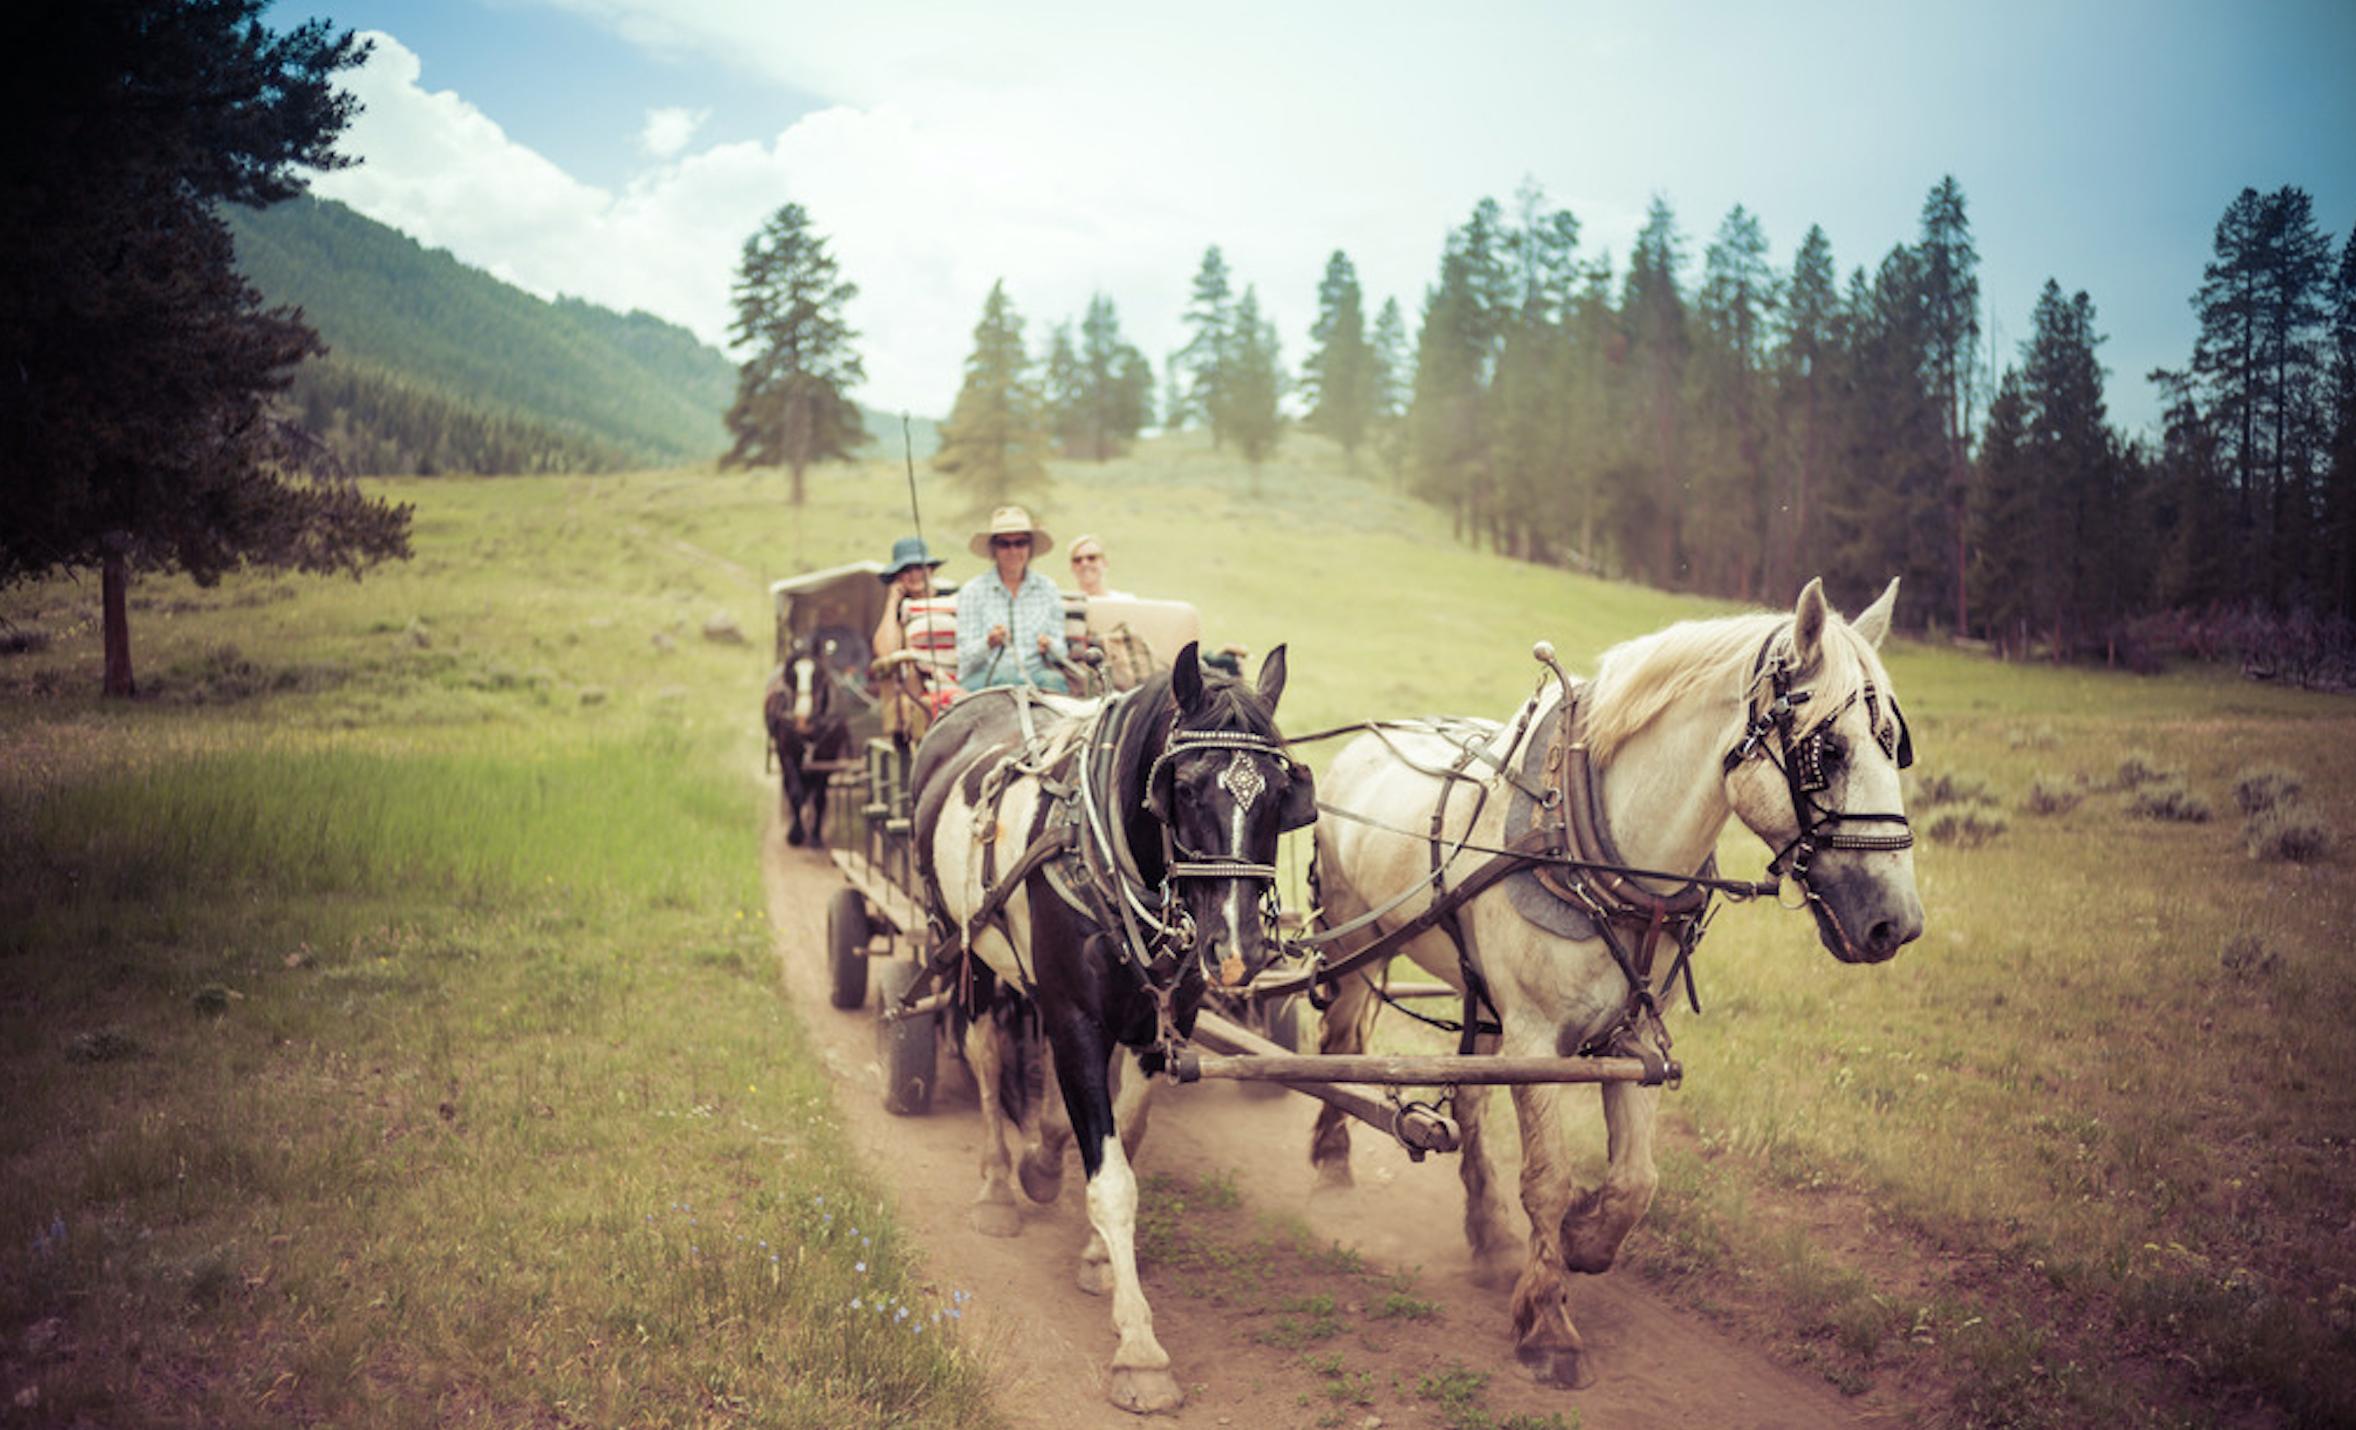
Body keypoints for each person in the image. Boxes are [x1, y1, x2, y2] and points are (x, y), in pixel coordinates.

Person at [955, 505, 1067, 693]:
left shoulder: (1048, 589)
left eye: (1020, 543)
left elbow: (1061, 651)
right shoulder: (973, 591)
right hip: (986, 677)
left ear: (1030, 548)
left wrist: (1050, 646)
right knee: (1007, 681)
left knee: (1054, 681)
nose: (1013, 551)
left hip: (1035, 674)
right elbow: (964, 656)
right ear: (994, 550)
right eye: (1004, 544)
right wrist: (988, 643)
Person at [870, 535, 945, 661]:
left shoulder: (951, 599)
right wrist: (892, 601)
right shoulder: (898, 614)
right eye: (906, 570)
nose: (914, 575)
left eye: (919, 567)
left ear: (931, 570)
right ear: (897, 576)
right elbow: (885, 653)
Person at [1065, 533, 1134, 600]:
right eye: (1077, 560)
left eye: (1091, 558)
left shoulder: (1125, 601)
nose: (1084, 563)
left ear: (1105, 563)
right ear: (1072, 568)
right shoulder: (1065, 604)